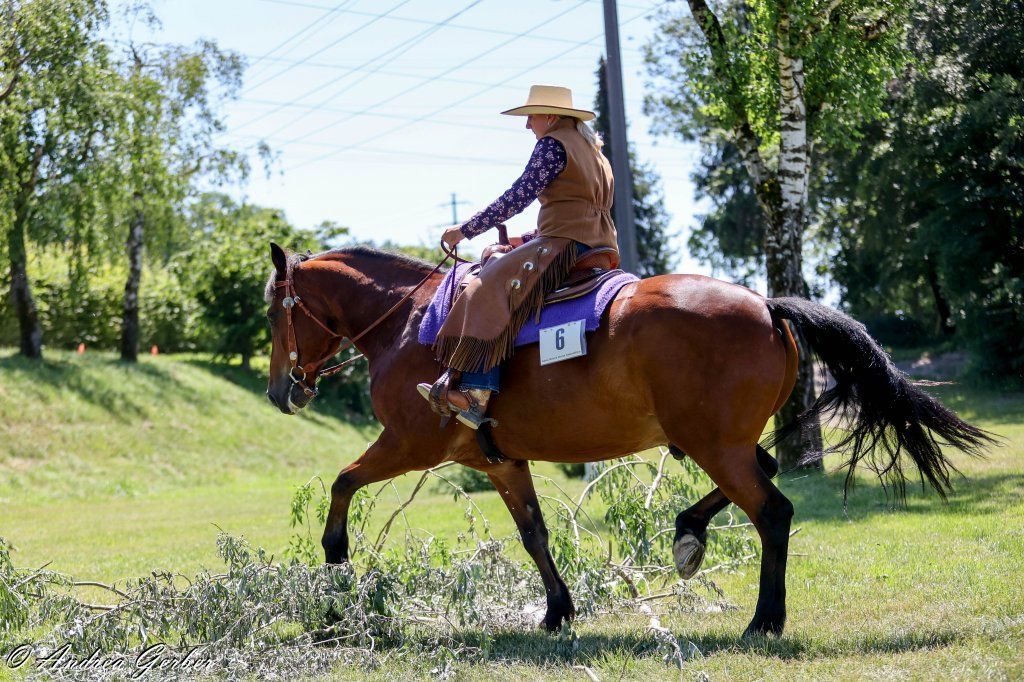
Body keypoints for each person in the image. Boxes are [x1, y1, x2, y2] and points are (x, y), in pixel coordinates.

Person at [417, 84, 619, 428]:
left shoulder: (553, 144)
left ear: (551, 116)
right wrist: (526, 238)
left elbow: (518, 196)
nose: (528, 126)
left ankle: (475, 394)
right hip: (601, 245)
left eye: (531, 117)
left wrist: (465, 229)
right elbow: (577, 208)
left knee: (485, 285)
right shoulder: (593, 150)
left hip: (565, 243)